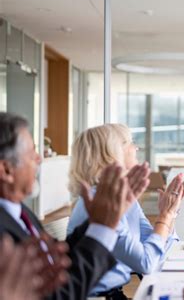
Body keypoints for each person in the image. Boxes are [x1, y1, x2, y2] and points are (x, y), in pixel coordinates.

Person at [0, 112, 130, 300]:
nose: (39, 159)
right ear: (6, 169)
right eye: (31, 154)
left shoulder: (19, 210)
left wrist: (99, 221)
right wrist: (103, 229)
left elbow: (54, 260)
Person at [67, 124, 184, 299]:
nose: (136, 148)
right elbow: (147, 263)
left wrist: (170, 212)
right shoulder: (101, 203)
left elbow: (160, 250)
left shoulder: (122, 198)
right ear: (112, 153)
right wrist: (165, 216)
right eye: (130, 142)